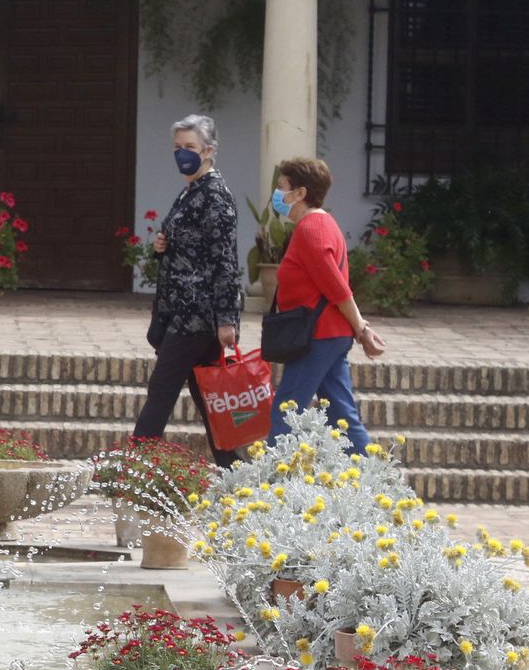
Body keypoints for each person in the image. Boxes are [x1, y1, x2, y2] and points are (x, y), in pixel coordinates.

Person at [132, 114, 244, 469]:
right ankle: (235, 470)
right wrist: (163, 246)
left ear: (208, 150)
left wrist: (227, 319)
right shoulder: (191, 191)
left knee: (162, 389)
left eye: (190, 147)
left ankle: (133, 468)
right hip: (181, 310)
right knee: (208, 399)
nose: (182, 154)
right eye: (177, 147)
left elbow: (225, 260)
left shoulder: (215, 195)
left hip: (197, 316)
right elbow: (191, 245)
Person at [267, 157, 386, 451]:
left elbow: (336, 287)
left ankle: (271, 476)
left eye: (282, 186)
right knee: (341, 417)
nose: (278, 194)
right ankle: (375, 475)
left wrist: (361, 328)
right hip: (327, 334)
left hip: (318, 336)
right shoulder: (320, 224)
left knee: (286, 413)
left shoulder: (312, 229)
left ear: (300, 193)